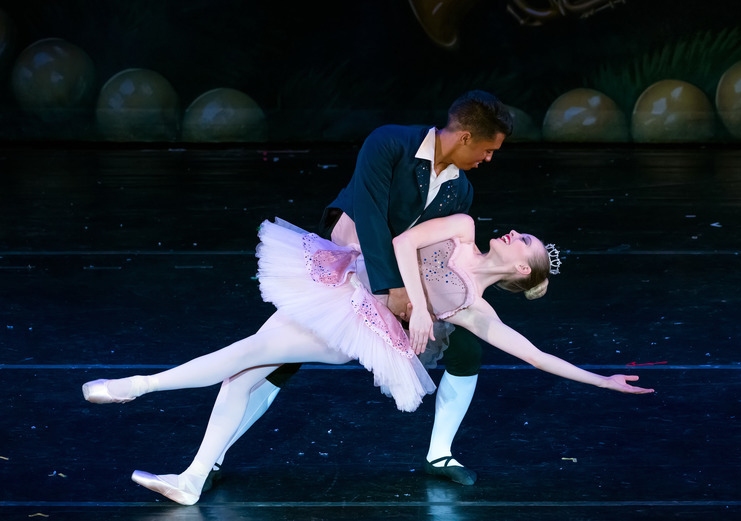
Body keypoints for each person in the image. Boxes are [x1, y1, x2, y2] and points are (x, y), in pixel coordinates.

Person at [82, 213, 654, 506]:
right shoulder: (460, 229)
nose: (513, 232)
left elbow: (535, 355)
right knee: (241, 375)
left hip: (353, 328)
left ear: (522, 270)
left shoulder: (477, 311)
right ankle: (189, 479)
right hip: (340, 283)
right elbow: (403, 243)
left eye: (523, 241)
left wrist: (603, 381)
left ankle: (141, 386)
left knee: (247, 355)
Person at [206, 89, 528, 488]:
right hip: (346, 263)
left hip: (398, 280)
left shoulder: (459, 191)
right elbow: (371, 216)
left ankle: (440, 454)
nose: (489, 159)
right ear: (465, 137)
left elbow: (432, 251)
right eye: (488, 149)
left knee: (466, 349)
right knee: (277, 358)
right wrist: (391, 287)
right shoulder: (391, 142)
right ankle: (212, 459)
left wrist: (426, 299)